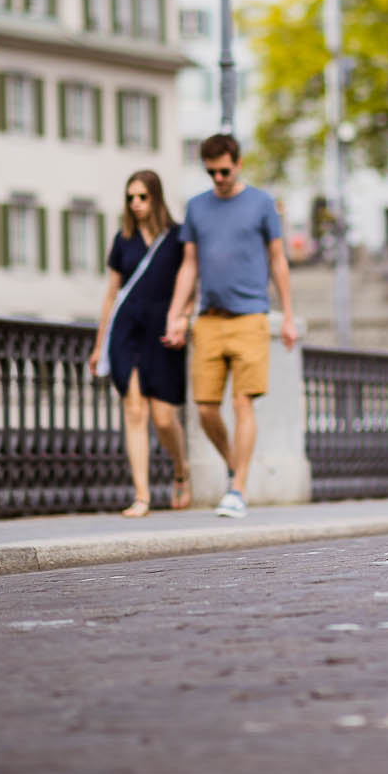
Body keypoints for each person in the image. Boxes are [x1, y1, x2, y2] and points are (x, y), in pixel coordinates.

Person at [164, 133, 300, 519]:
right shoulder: (197, 207)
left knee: (243, 403)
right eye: (211, 173)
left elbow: (278, 260)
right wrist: (176, 315)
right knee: (206, 408)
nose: (219, 179)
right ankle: (234, 465)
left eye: (224, 171)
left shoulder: (261, 204)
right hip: (209, 319)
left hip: (251, 317)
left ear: (238, 164)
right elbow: (189, 265)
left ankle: (237, 489)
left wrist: (288, 317)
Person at [88, 170, 189, 516]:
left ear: (156, 198)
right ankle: (142, 496)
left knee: (163, 418)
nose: (136, 204)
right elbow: (111, 295)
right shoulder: (122, 240)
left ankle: (180, 469)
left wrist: (183, 319)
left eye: (142, 197)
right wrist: (100, 344)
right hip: (126, 330)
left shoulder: (177, 238)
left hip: (162, 332)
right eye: (131, 197)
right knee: (134, 410)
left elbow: (189, 286)